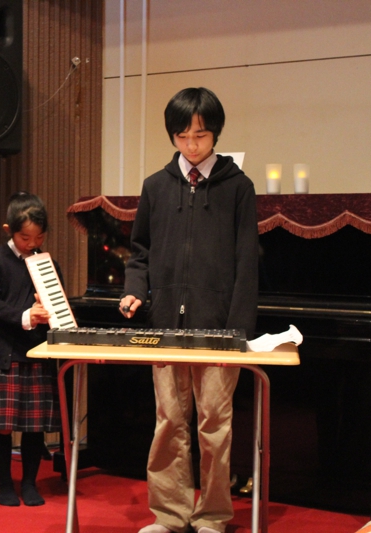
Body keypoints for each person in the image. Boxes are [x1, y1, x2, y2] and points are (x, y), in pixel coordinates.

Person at [119, 87, 258, 533]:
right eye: (182, 136)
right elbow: (140, 251)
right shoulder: (156, 186)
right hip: (165, 325)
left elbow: (247, 262)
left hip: (218, 328)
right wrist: (135, 290)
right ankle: (170, 514)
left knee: (214, 425)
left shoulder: (238, 187)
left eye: (200, 135)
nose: (192, 145)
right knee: (169, 422)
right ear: (172, 136)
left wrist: (237, 331)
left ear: (215, 133)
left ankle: (213, 515)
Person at [0, 191, 62, 507]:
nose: (32, 243)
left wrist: (51, 312)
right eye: (25, 237)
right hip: (4, 352)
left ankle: (29, 483)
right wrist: (27, 315)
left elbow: (57, 304)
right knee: (3, 426)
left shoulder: (48, 264)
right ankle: (4, 484)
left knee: (33, 426)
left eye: (39, 237)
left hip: (36, 351)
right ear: (8, 230)